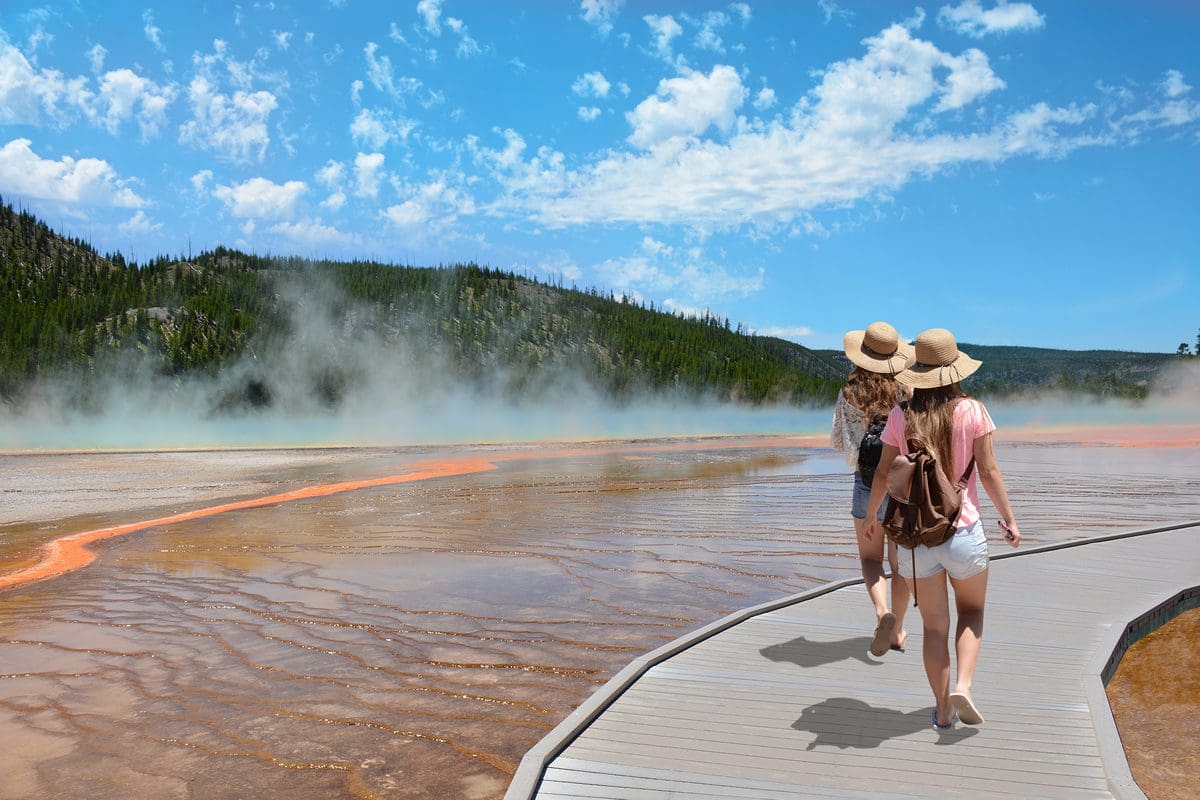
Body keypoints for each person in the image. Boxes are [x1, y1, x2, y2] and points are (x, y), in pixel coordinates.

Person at [864, 328, 1021, 731]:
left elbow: (884, 472)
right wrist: (1010, 518)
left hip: (917, 539)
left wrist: (871, 517)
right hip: (963, 532)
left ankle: (943, 711)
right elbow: (987, 471)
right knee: (972, 611)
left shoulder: (901, 414)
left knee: (934, 627)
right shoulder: (973, 411)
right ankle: (964, 686)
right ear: (954, 369)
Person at [831, 321, 914, 658]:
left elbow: (840, 442)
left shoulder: (849, 392)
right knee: (901, 564)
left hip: (865, 482)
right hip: (901, 486)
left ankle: (882, 612)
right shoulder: (906, 392)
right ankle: (897, 631)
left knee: (870, 558)